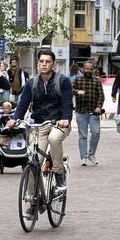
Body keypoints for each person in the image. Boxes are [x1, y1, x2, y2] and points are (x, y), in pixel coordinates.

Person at [12, 49, 74, 189]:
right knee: (34, 161)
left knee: (54, 139)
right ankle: (32, 200)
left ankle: (58, 173)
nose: (44, 64)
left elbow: (67, 103)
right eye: (41, 61)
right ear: (37, 63)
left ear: (53, 64)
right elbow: (23, 104)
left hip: (58, 123)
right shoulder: (32, 83)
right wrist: (15, 119)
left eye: (47, 62)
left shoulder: (62, 81)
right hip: (38, 125)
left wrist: (65, 118)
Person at [72, 58, 106, 166]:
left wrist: (99, 107)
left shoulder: (96, 80)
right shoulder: (77, 80)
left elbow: (101, 95)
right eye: (86, 68)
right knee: (83, 135)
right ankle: (83, 157)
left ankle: (91, 154)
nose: (88, 70)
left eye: (90, 69)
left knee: (96, 132)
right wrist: (77, 91)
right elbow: (69, 91)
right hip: (80, 111)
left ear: (93, 70)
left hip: (93, 111)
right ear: (83, 69)